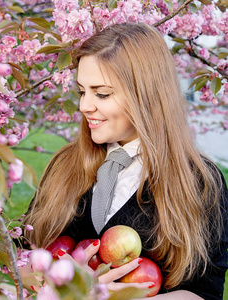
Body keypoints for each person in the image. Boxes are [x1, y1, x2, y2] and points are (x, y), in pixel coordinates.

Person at [23, 22, 228, 299]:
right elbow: (21, 253)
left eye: (102, 93)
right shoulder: (64, 165)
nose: (84, 106)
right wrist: (58, 282)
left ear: (145, 95)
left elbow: (204, 291)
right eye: (82, 91)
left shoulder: (199, 181)